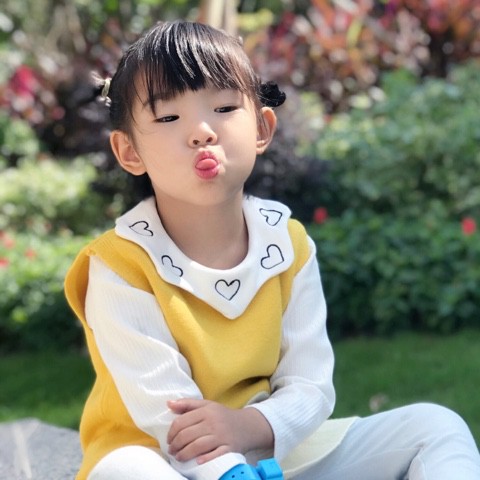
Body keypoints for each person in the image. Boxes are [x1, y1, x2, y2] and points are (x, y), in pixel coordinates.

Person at [65, 20, 480, 480]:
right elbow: (170, 417)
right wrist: (229, 471)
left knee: (435, 427)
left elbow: (310, 384)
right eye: (168, 118)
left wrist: (252, 427)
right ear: (129, 151)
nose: (201, 131)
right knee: (124, 470)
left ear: (262, 129)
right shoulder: (120, 266)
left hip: (273, 453)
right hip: (167, 461)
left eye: (224, 107)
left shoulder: (287, 244)